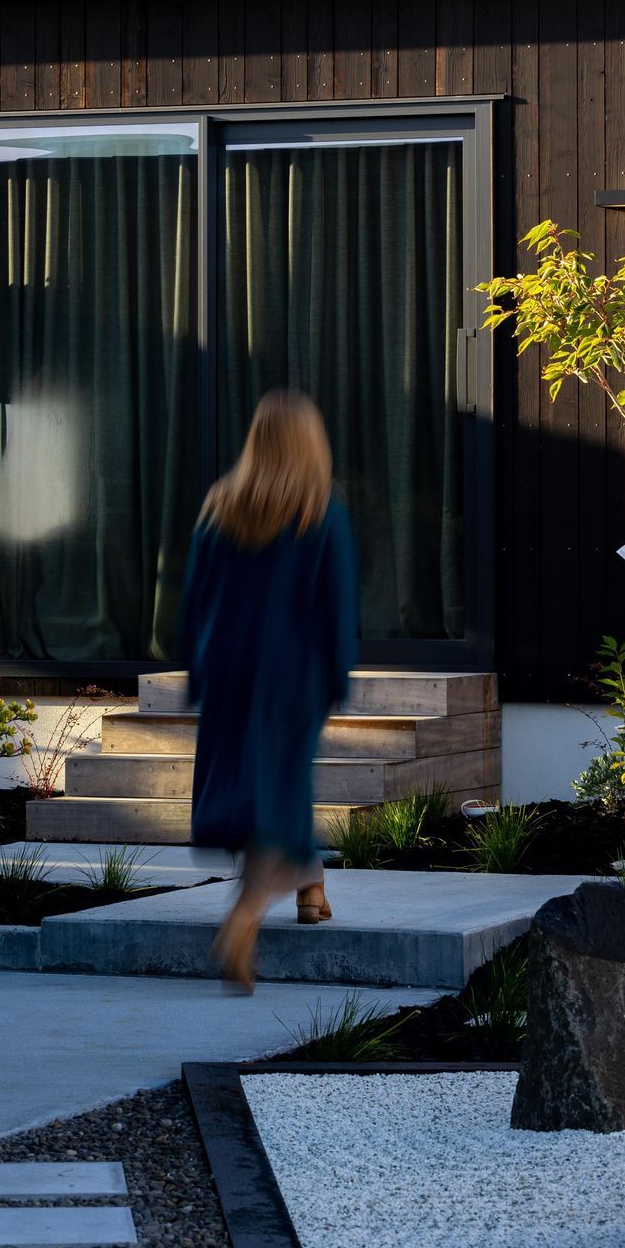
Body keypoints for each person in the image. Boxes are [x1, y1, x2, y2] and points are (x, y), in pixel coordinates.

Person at [179, 390, 359, 992]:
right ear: (311, 445)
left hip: (229, 670)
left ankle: (311, 888)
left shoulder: (219, 508)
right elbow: (336, 607)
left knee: (260, 785)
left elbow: (194, 599)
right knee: (278, 791)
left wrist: (196, 670)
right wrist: (338, 676)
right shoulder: (319, 511)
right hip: (293, 674)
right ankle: (246, 914)